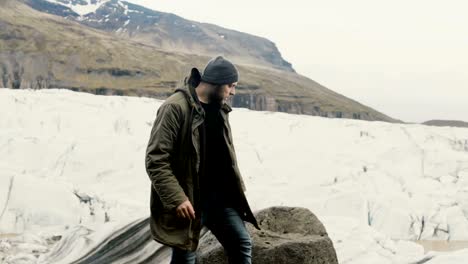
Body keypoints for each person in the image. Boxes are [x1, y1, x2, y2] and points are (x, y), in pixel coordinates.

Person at [145, 55, 261, 264]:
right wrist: (177, 198)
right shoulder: (175, 108)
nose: (233, 92)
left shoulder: (220, 108)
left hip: (222, 199)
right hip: (190, 199)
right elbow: (156, 160)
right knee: (185, 258)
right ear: (216, 82)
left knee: (241, 243)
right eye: (230, 86)